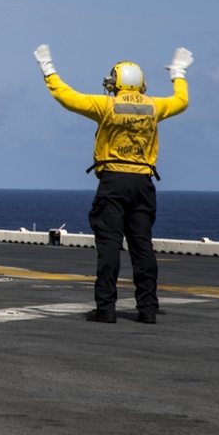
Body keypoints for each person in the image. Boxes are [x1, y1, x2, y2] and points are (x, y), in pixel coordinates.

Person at [32, 44, 193, 324]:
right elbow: (181, 101)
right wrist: (178, 73)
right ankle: (148, 309)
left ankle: (106, 308)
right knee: (142, 246)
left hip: (113, 183)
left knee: (109, 246)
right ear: (140, 84)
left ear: (116, 82)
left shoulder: (106, 105)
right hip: (143, 183)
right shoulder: (154, 107)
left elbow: (66, 97)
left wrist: (48, 69)